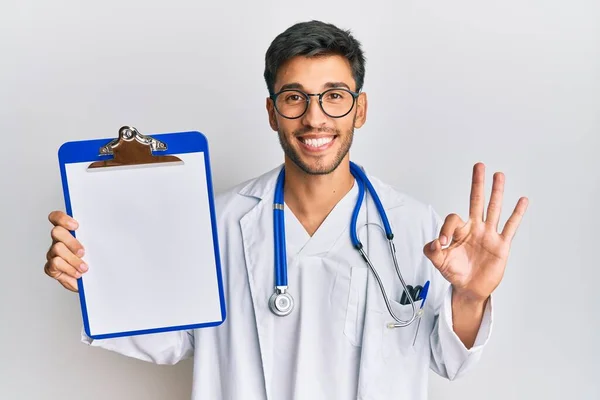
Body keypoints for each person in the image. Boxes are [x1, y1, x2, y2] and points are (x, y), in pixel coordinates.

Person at [44, 20, 528, 399]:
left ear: (359, 109)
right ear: (272, 111)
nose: (315, 117)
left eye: (334, 97)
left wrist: (471, 297)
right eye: (295, 98)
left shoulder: (417, 226)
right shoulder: (215, 223)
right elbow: (168, 339)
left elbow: (450, 360)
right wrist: (91, 269)